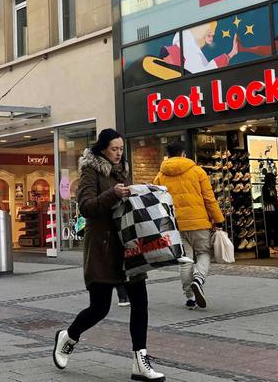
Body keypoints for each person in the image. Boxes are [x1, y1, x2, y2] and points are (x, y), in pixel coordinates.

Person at [53, 129, 164, 381]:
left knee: (140, 302)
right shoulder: (89, 171)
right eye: (114, 149)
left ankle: (140, 361)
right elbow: (87, 207)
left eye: (121, 149)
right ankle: (68, 337)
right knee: (99, 308)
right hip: (103, 249)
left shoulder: (121, 170)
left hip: (128, 246)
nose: (118, 153)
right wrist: (113, 194)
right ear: (102, 148)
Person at [153, 141, 225, 310]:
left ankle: (190, 298)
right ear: (184, 154)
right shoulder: (197, 172)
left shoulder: (160, 176)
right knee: (203, 253)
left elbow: (157, 202)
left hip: (176, 225)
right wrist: (218, 219)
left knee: (185, 260)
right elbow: (209, 198)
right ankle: (198, 280)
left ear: (168, 156)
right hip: (199, 222)